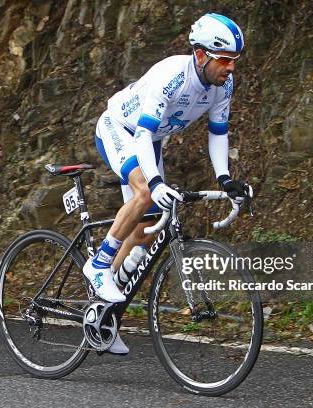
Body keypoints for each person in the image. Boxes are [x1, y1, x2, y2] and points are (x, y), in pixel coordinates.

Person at [86, 13, 252, 354]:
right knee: (146, 193)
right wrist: (157, 182)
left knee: (143, 233)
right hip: (123, 129)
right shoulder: (172, 75)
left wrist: (225, 179)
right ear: (201, 54)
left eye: (235, 61)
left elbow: (218, 134)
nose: (231, 68)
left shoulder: (223, 84)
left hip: (152, 141)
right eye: (225, 60)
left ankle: (99, 313)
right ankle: (98, 265)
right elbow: (143, 132)